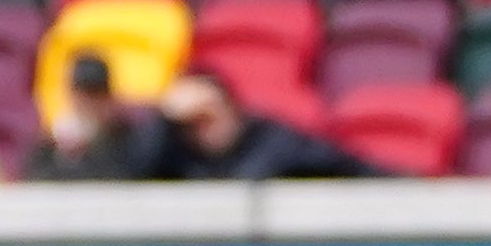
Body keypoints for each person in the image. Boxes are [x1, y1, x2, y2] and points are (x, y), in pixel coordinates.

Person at [153, 70, 380, 179]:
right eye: (189, 124)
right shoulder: (174, 153)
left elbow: (349, 168)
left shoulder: (273, 141)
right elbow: (134, 170)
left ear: (230, 107)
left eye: (207, 118)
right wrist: (163, 119)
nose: (199, 131)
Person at [22, 50, 170, 179]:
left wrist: (98, 142)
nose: (88, 103)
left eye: (95, 94)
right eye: (81, 94)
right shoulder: (50, 148)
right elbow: (36, 185)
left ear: (108, 96)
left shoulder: (129, 137)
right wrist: (65, 156)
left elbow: (128, 179)